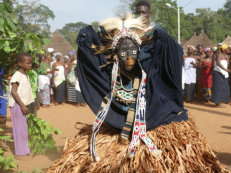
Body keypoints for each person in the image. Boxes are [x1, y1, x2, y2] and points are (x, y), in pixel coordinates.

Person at [48, 11, 223, 172]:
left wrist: (160, 36)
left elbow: (172, 54)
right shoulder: (111, 76)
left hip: (155, 121)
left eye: (133, 52)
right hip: (119, 128)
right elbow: (92, 65)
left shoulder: (151, 74)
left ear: (139, 52)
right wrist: (87, 40)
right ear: (116, 55)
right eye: (123, 54)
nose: (129, 57)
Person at [8, 52, 34, 158]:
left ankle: (24, 149)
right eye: (28, 63)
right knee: (20, 130)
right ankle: (20, 153)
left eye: (31, 63)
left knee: (23, 129)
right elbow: (14, 92)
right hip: (17, 106)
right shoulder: (17, 76)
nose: (30, 65)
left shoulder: (25, 74)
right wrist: (23, 106)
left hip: (22, 105)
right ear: (20, 63)